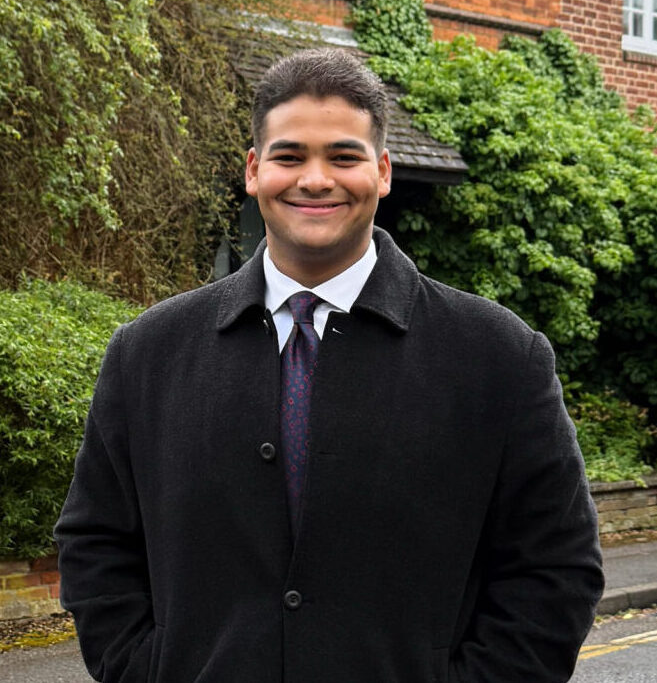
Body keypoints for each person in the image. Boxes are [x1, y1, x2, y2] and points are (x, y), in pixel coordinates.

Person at [55, 48, 604, 683]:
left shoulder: (499, 357)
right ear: (254, 171)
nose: (316, 180)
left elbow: (555, 569)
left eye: (344, 157)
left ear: (383, 171)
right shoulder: (147, 354)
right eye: (290, 157)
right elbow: (95, 545)